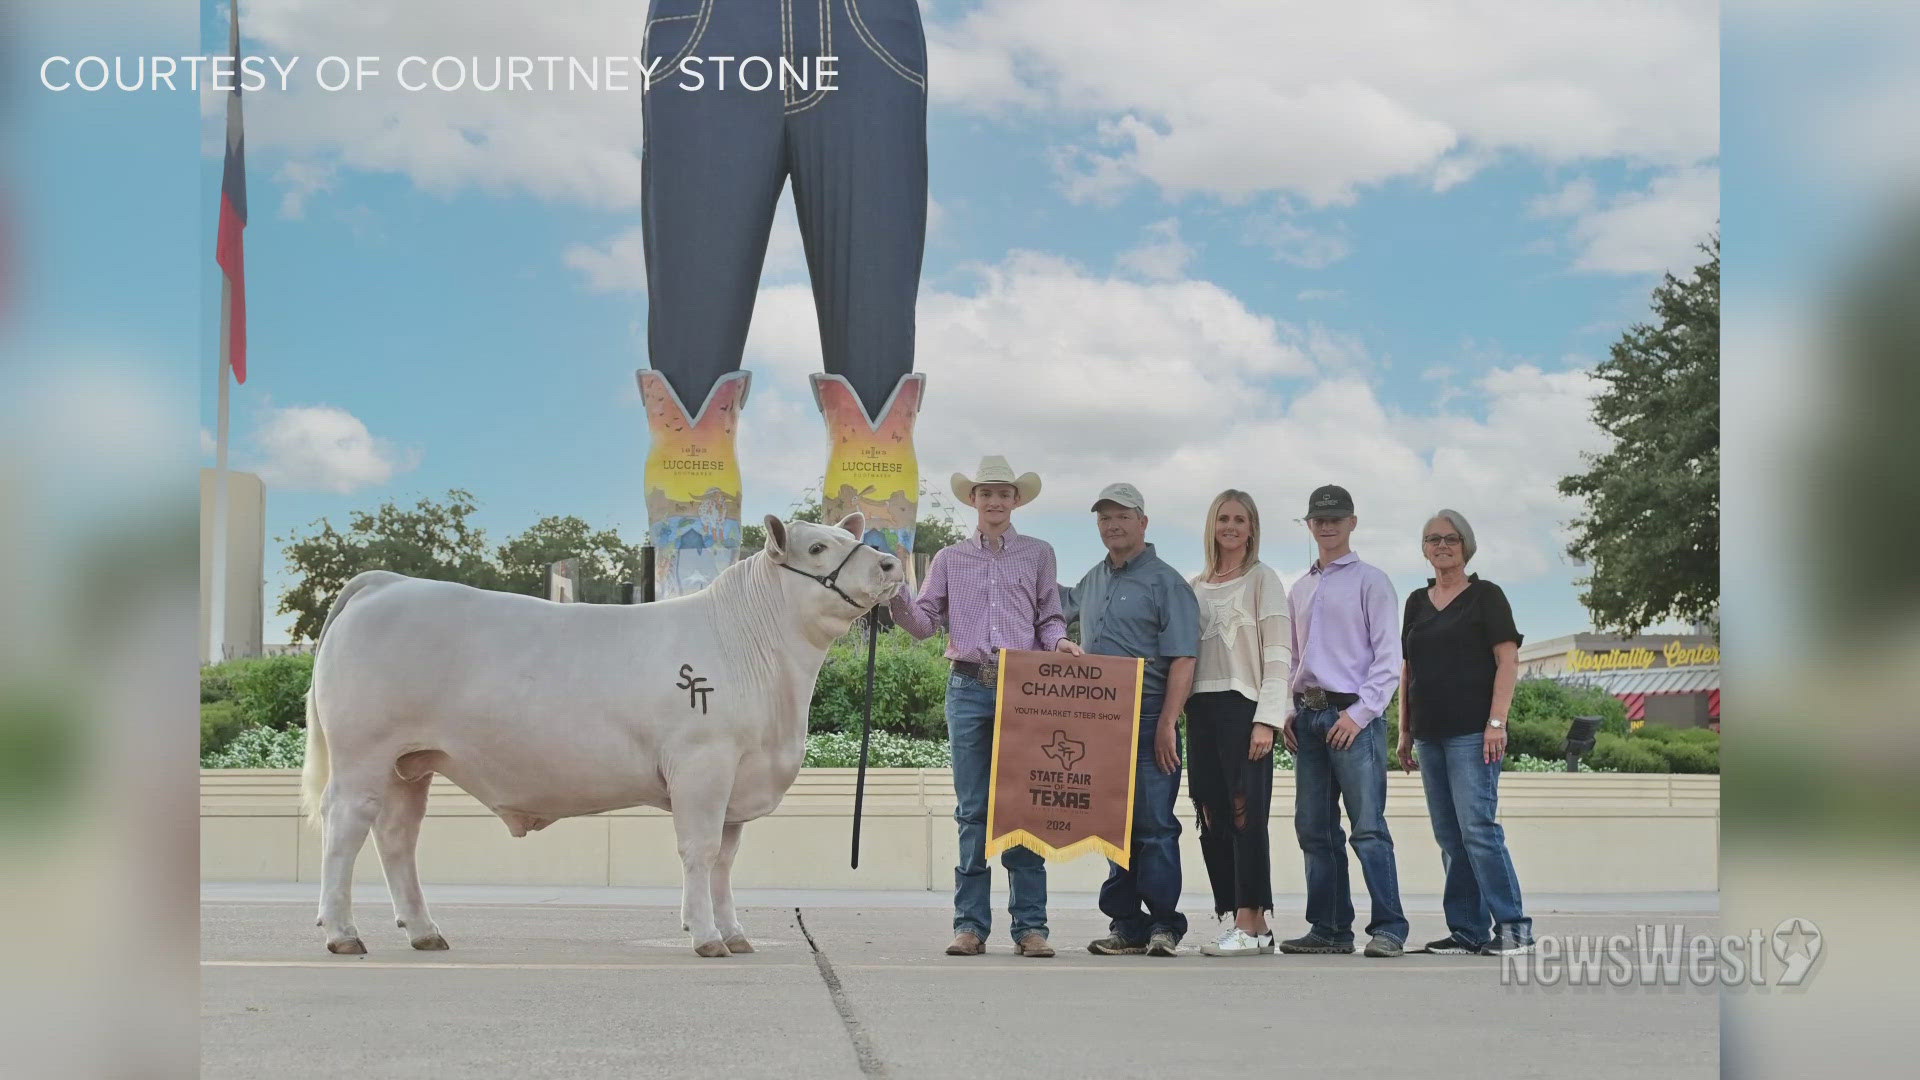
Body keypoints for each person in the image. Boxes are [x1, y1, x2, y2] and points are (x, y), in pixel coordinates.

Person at [890, 455, 1083, 959]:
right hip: (968, 685)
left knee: (1025, 806)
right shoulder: (950, 559)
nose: (994, 501)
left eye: (1003, 493)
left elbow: (1049, 616)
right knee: (973, 810)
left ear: (1016, 500)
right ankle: (970, 925)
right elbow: (925, 622)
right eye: (986, 493)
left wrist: (1060, 643)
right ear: (973, 500)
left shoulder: (1039, 553)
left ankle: (1030, 928)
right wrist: (894, 597)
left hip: (1027, 688)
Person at [1062, 483, 1201, 957]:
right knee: (1112, 824)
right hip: (1100, 723)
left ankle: (1165, 923)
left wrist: (1167, 724)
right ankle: (1127, 924)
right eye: (1104, 518)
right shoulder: (1093, 580)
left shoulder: (1167, 583)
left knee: (1155, 825)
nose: (1112, 525)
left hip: (1148, 718)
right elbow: (1053, 615)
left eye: (1122, 516)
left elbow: (1184, 659)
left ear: (1143, 522)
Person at [1279, 484, 1410, 958]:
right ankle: (1330, 929)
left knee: (1367, 827)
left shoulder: (1372, 581)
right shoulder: (1300, 587)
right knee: (1314, 829)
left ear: (1353, 522)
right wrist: (1289, 710)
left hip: (1354, 716)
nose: (1327, 525)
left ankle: (1390, 927)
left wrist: (1359, 714)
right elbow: (1294, 655)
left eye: (1337, 517)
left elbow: (1388, 656)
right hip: (1310, 717)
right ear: (1309, 524)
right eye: (1319, 518)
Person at [1398, 509, 1535, 956]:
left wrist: (1497, 722)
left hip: (1472, 735)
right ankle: (1467, 929)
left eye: (1451, 539)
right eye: (1433, 539)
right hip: (1429, 735)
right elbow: (1408, 669)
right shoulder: (1416, 602)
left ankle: (1514, 927)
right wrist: (1404, 731)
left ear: (1466, 545)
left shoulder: (1486, 596)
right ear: (1424, 548)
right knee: (1450, 836)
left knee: (1478, 828)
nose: (1442, 546)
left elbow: (1508, 661)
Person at [1186, 490, 1291, 957]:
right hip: (1200, 709)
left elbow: (1279, 654)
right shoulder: (1195, 586)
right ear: (1212, 525)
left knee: (1247, 812)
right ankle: (1236, 918)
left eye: (1239, 519)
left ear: (1251, 528)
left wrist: (1267, 719)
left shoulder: (1263, 580)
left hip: (1244, 708)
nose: (1230, 526)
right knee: (1211, 813)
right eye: (1223, 518)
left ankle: (1254, 922)